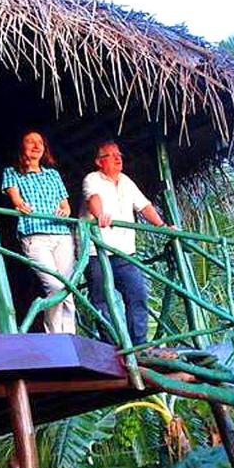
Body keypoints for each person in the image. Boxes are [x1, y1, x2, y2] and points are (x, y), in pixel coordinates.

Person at [82, 141, 170, 346]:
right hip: (97, 251)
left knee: (137, 295)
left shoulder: (126, 181)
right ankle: (114, 347)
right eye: (111, 155)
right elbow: (93, 198)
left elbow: (144, 206)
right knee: (102, 301)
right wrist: (100, 215)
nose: (117, 158)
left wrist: (163, 225)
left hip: (125, 253)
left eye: (119, 154)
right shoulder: (92, 178)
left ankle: (138, 346)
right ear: (99, 162)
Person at [1, 131, 76, 334]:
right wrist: (18, 204)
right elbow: (15, 200)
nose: (36, 146)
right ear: (21, 148)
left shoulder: (52, 174)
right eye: (30, 142)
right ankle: (55, 335)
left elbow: (65, 205)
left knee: (68, 288)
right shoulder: (12, 173)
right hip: (35, 235)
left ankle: (70, 335)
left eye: (40, 142)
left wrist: (65, 210)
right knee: (54, 286)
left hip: (61, 234)